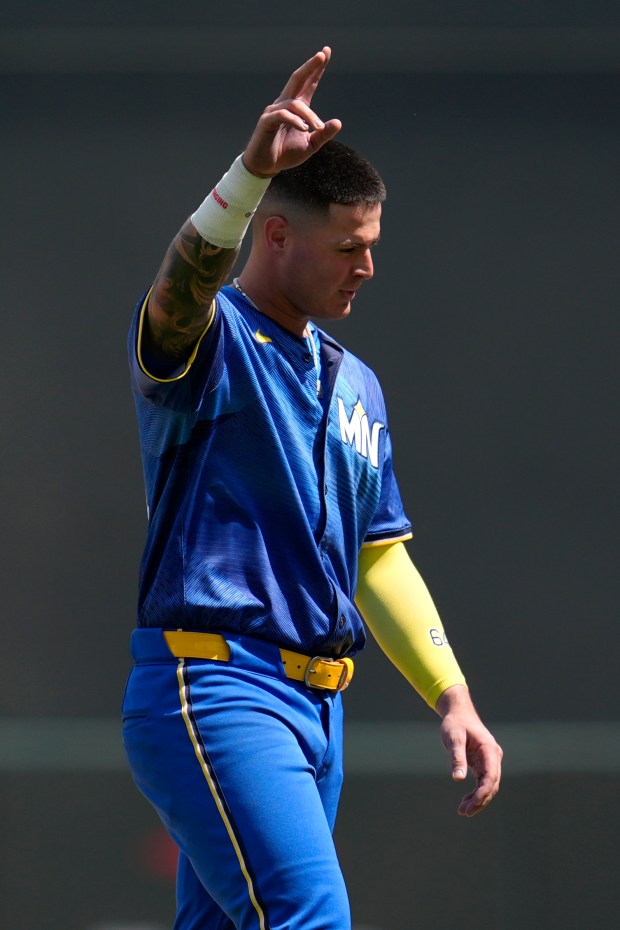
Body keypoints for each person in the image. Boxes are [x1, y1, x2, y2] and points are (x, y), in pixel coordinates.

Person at [122, 46, 502, 930]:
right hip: (221, 688)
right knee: (309, 922)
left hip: (316, 711)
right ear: (277, 232)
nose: (365, 267)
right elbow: (179, 294)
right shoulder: (212, 346)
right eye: (347, 248)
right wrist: (249, 175)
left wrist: (454, 696)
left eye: (372, 246)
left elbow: (379, 557)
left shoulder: (356, 382)